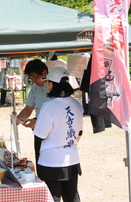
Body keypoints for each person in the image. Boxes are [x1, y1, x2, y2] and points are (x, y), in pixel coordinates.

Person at [33, 67, 83, 202]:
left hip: (51, 161)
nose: (46, 85)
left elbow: (40, 135)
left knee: (52, 198)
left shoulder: (49, 106)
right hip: (72, 159)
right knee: (71, 196)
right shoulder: (77, 104)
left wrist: (34, 125)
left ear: (52, 84)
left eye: (48, 82)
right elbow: (79, 132)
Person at [16, 59, 50, 166]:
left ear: (44, 73)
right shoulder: (35, 87)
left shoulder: (57, 87)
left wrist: (37, 122)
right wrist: (19, 118)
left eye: (35, 77)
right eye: (31, 79)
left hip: (55, 131)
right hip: (39, 130)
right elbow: (28, 109)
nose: (34, 81)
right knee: (40, 160)